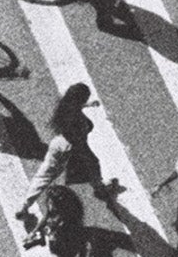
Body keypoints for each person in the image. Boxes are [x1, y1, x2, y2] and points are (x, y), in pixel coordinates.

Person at [25, 84, 121, 214]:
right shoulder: (76, 121)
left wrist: (88, 105)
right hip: (70, 149)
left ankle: (24, 206)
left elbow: (75, 108)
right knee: (91, 164)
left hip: (58, 144)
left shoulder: (66, 106)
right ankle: (100, 190)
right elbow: (79, 142)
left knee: (44, 175)